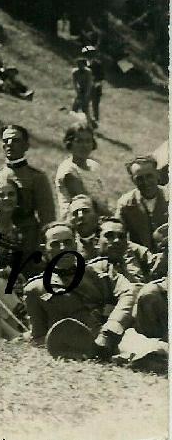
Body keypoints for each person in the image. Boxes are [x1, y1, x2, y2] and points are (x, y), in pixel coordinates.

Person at [24, 223, 167, 363]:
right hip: (81, 345)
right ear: (44, 250)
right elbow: (39, 336)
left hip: (117, 334)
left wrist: (109, 331)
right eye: (55, 244)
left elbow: (130, 292)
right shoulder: (35, 289)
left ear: (75, 244)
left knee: (155, 349)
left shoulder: (101, 269)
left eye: (68, 242)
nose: (63, 248)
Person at [0, 124, 55, 258]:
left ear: (26, 146)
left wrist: (43, 246)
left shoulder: (36, 177)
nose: (9, 144)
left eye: (15, 140)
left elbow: (47, 218)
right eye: (5, 141)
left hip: (27, 239)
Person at [55, 123, 108, 216]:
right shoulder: (68, 170)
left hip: (98, 218)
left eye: (88, 141)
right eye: (79, 141)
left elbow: (103, 199)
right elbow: (86, 203)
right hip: (77, 219)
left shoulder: (94, 166)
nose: (84, 146)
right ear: (70, 143)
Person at [116, 155, 168, 251]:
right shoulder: (125, 204)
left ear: (157, 174)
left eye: (149, 176)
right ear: (132, 180)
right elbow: (117, 234)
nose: (146, 182)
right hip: (142, 260)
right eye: (139, 178)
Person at [94, 217, 161, 285]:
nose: (117, 241)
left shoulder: (136, 264)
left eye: (121, 237)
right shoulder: (89, 272)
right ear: (96, 242)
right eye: (110, 236)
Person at [83, 45, 105, 125]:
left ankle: (94, 120)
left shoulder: (98, 65)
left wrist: (95, 83)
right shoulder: (85, 65)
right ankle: (88, 120)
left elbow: (101, 77)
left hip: (95, 87)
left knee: (95, 104)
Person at [71, 56, 93, 124]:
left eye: (81, 64)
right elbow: (74, 83)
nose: (79, 66)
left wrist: (87, 94)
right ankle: (73, 120)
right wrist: (78, 92)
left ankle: (89, 123)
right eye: (78, 64)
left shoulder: (88, 72)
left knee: (85, 107)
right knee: (75, 106)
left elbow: (89, 84)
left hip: (88, 90)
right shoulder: (75, 72)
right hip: (80, 90)